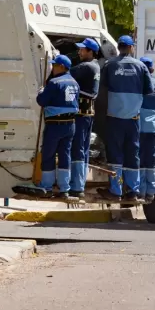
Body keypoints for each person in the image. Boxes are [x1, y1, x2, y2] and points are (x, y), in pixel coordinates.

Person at [97, 35, 153, 201]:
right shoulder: (141, 67)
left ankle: (116, 190)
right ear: (131, 48)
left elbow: (103, 88)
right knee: (132, 155)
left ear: (119, 47)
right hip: (133, 119)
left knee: (115, 155)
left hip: (114, 118)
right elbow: (148, 91)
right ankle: (133, 191)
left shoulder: (110, 65)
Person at [35, 55, 80, 200]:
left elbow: (41, 101)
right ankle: (64, 188)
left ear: (61, 66)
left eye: (54, 66)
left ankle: (47, 186)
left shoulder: (54, 83)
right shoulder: (74, 82)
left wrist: (41, 91)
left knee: (48, 154)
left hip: (55, 124)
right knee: (64, 155)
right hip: (70, 125)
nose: (52, 68)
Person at [68, 38, 101, 199]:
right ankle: (79, 183)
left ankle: (76, 186)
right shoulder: (95, 66)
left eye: (82, 49)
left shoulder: (85, 67)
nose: (79, 52)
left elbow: (63, 74)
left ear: (90, 51)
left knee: (77, 148)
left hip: (81, 114)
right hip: (88, 114)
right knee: (84, 149)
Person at [138, 57, 155, 204]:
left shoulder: (137, 84)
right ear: (152, 70)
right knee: (152, 160)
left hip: (139, 128)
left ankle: (141, 191)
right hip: (153, 128)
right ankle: (151, 192)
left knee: (140, 160)